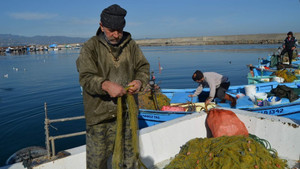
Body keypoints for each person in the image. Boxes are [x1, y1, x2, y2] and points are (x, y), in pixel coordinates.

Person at [76, 4, 150, 169]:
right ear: (101, 26)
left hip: (126, 115)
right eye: (111, 30)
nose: (116, 35)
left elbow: (143, 67)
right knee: (97, 163)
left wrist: (139, 81)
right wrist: (105, 85)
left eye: (120, 30)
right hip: (99, 118)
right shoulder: (90, 47)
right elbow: (86, 77)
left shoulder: (131, 46)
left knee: (129, 160)